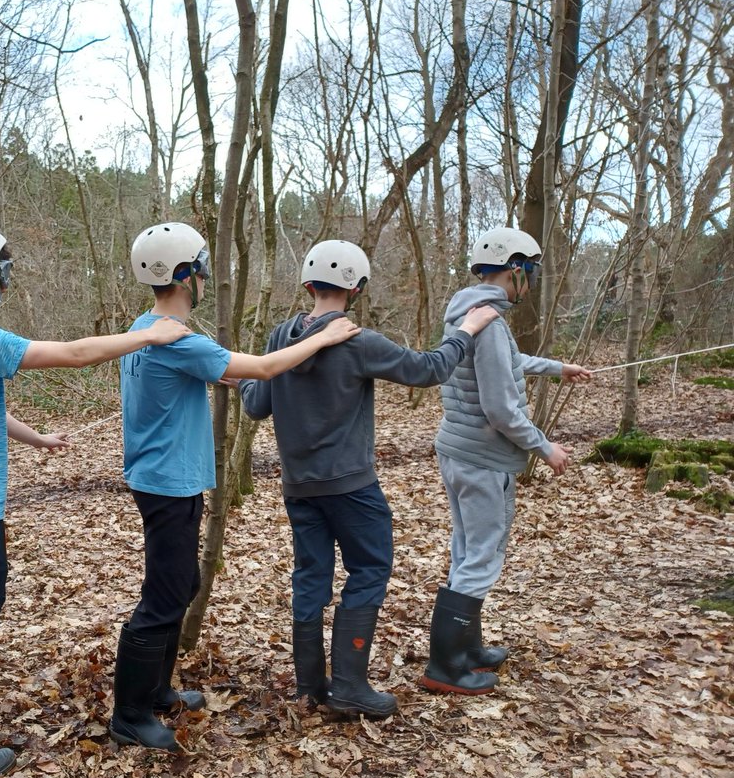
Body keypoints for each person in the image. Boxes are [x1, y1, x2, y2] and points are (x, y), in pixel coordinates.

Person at [0, 225, 191, 778]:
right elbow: (76, 354)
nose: (3, 281)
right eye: (0, 271)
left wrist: (37, 438)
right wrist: (148, 337)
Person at [111, 222, 363, 751]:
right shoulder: (175, 337)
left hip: (160, 476)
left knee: (178, 586)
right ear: (186, 276)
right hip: (168, 481)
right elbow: (267, 367)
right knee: (164, 593)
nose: (205, 276)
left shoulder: (148, 328)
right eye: (200, 268)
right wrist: (325, 335)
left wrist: (234, 374)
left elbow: (222, 372)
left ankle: (157, 691)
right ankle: (130, 712)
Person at [237, 240, 499, 718]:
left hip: (299, 487)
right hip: (352, 488)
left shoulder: (280, 338)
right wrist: (467, 328)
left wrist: (239, 382)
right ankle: (350, 687)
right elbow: (430, 369)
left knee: (310, 576)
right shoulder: (359, 340)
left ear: (308, 284)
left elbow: (257, 404)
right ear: (356, 288)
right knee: (370, 571)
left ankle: (310, 686)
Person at [421, 227, 591, 695]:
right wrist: (544, 446)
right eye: (530, 272)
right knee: (482, 554)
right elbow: (500, 407)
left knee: (467, 549)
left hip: (458, 450)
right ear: (516, 269)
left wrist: (557, 368)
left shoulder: (468, 313)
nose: (530, 282)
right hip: (482, 457)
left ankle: (467, 649)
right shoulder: (490, 322)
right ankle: (446, 666)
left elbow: (505, 363)